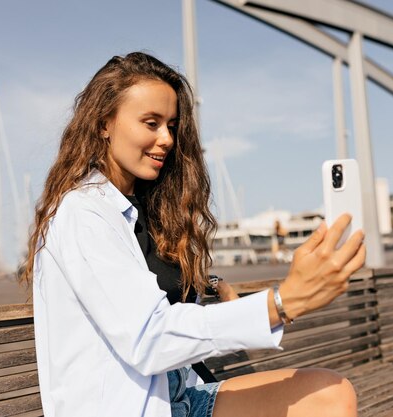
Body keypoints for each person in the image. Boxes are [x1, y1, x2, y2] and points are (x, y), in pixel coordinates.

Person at [20, 52, 366, 417]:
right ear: (105, 123)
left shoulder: (143, 207)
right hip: (133, 408)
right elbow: (147, 339)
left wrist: (212, 285)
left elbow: (148, 288)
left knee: (331, 393)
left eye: (170, 125)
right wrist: (283, 302)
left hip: (181, 394)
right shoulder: (82, 213)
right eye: (150, 123)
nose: (166, 139)